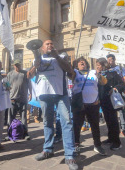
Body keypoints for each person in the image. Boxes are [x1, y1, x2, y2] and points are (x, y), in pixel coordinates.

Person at [27, 40, 78, 170]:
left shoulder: (60, 57)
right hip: (44, 94)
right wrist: (35, 65)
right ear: (42, 48)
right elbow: (30, 75)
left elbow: (69, 70)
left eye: (52, 43)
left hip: (61, 93)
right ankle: (47, 149)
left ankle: (70, 156)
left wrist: (56, 56)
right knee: (47, 122)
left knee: (67, 122)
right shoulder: (37, 59)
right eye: (47, 44)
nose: (50, 45)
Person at [71, 57, 107, 156]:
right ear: (76, 65)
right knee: (77, 126)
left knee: (95, 126)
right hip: (79, 105)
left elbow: (104, 82)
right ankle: (76, 144)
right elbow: (68, 74)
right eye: (79, 62)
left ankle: (97, 145)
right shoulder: (75, 73)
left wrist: (99, 75)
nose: (82, 62)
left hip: (93, 104)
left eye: (83, 61)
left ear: (87, 64)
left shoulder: (93, 72)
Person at [96, 58, 125, 150]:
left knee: (113, 121)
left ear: (104, 65)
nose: (97, 67)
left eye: (99, 65)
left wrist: (115, 88)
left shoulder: (112, 73)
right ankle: (110, 138)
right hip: (103, 101)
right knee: (108, 120)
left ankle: (117, 142)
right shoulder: (97, 75)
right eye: (97, 65)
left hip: (111, 101)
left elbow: (122, 84)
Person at [7, 60, 30, 140]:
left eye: (18, 65)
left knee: (24, 118)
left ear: (21, 65)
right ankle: (9, 134)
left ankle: (25, 134)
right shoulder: (10, 74)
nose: (17, 67)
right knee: (11, 118)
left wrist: (30, 93)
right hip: (13, 99)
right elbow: (6, 84)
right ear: (14, 66)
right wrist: (8, 90)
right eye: (16, 65)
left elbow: (29, 84)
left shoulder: (24, 73)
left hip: (23, 99)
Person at [106, 54, 125, 136]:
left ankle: (123, 128)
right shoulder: (106, 69)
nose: (110, 61)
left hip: (119, 90)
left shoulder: (119, 68)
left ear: (114, 59)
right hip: (110, 92)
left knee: (121, 109)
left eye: (111, 59)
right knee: (112, 110)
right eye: (108, 59)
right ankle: (114, 128)